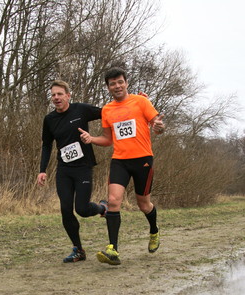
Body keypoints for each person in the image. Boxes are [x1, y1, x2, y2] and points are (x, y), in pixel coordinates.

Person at [78, 67, 165, 265]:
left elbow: (157, 125)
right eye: (112, 84)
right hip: (120, 160)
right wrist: (91, 138)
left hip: (143, 159)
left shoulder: (141, 101)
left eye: (120, 82)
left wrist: (159, 127)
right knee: (113, 200)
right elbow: (108, 140)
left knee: (144, 204)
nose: (117, 86)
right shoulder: (107, 110)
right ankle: (113, 250)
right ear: (108, 87)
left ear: (126, 82)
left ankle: (154, 230)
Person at [37, 80, 107, 263]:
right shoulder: (49, 119)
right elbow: (46, 145)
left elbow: (107, 112)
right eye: (53, 95)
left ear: (68, 95)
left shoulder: (80, 110)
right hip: (64, 169)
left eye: (60, 94)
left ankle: (102, 208)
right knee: (66, 210)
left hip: (83, 167)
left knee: (82, 209)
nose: (56, 98)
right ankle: (78, 250)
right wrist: (42, 170)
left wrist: (133, 102)